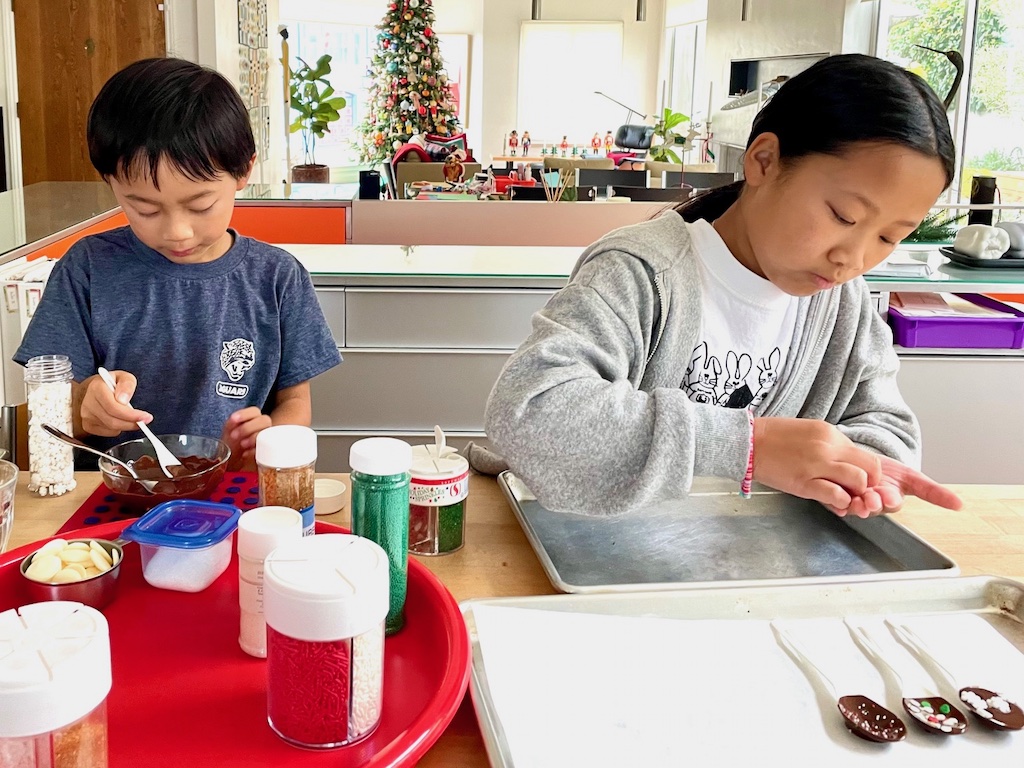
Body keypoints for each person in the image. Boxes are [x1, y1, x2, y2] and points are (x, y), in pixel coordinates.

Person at [483, 54, 963, 519]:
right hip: (599, 547)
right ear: (764, 160)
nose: (853, 259)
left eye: (888, 237)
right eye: (843, 216)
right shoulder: (644, 270)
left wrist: (857, 479)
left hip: (741, 562)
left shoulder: (843, 305)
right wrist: (750, 447)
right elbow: (532, 412)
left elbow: (887, 431)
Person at [15, 58, 341, 470]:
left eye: (200, 205)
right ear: (110, 182)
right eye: (144, 209)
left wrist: (266, 438)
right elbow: (45, 414)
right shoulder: (87, 269)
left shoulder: (277, 278)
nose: (177, 232)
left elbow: (295, 403)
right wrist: (82, 406)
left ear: (244, 172)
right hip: (108, 499)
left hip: (230, 494)